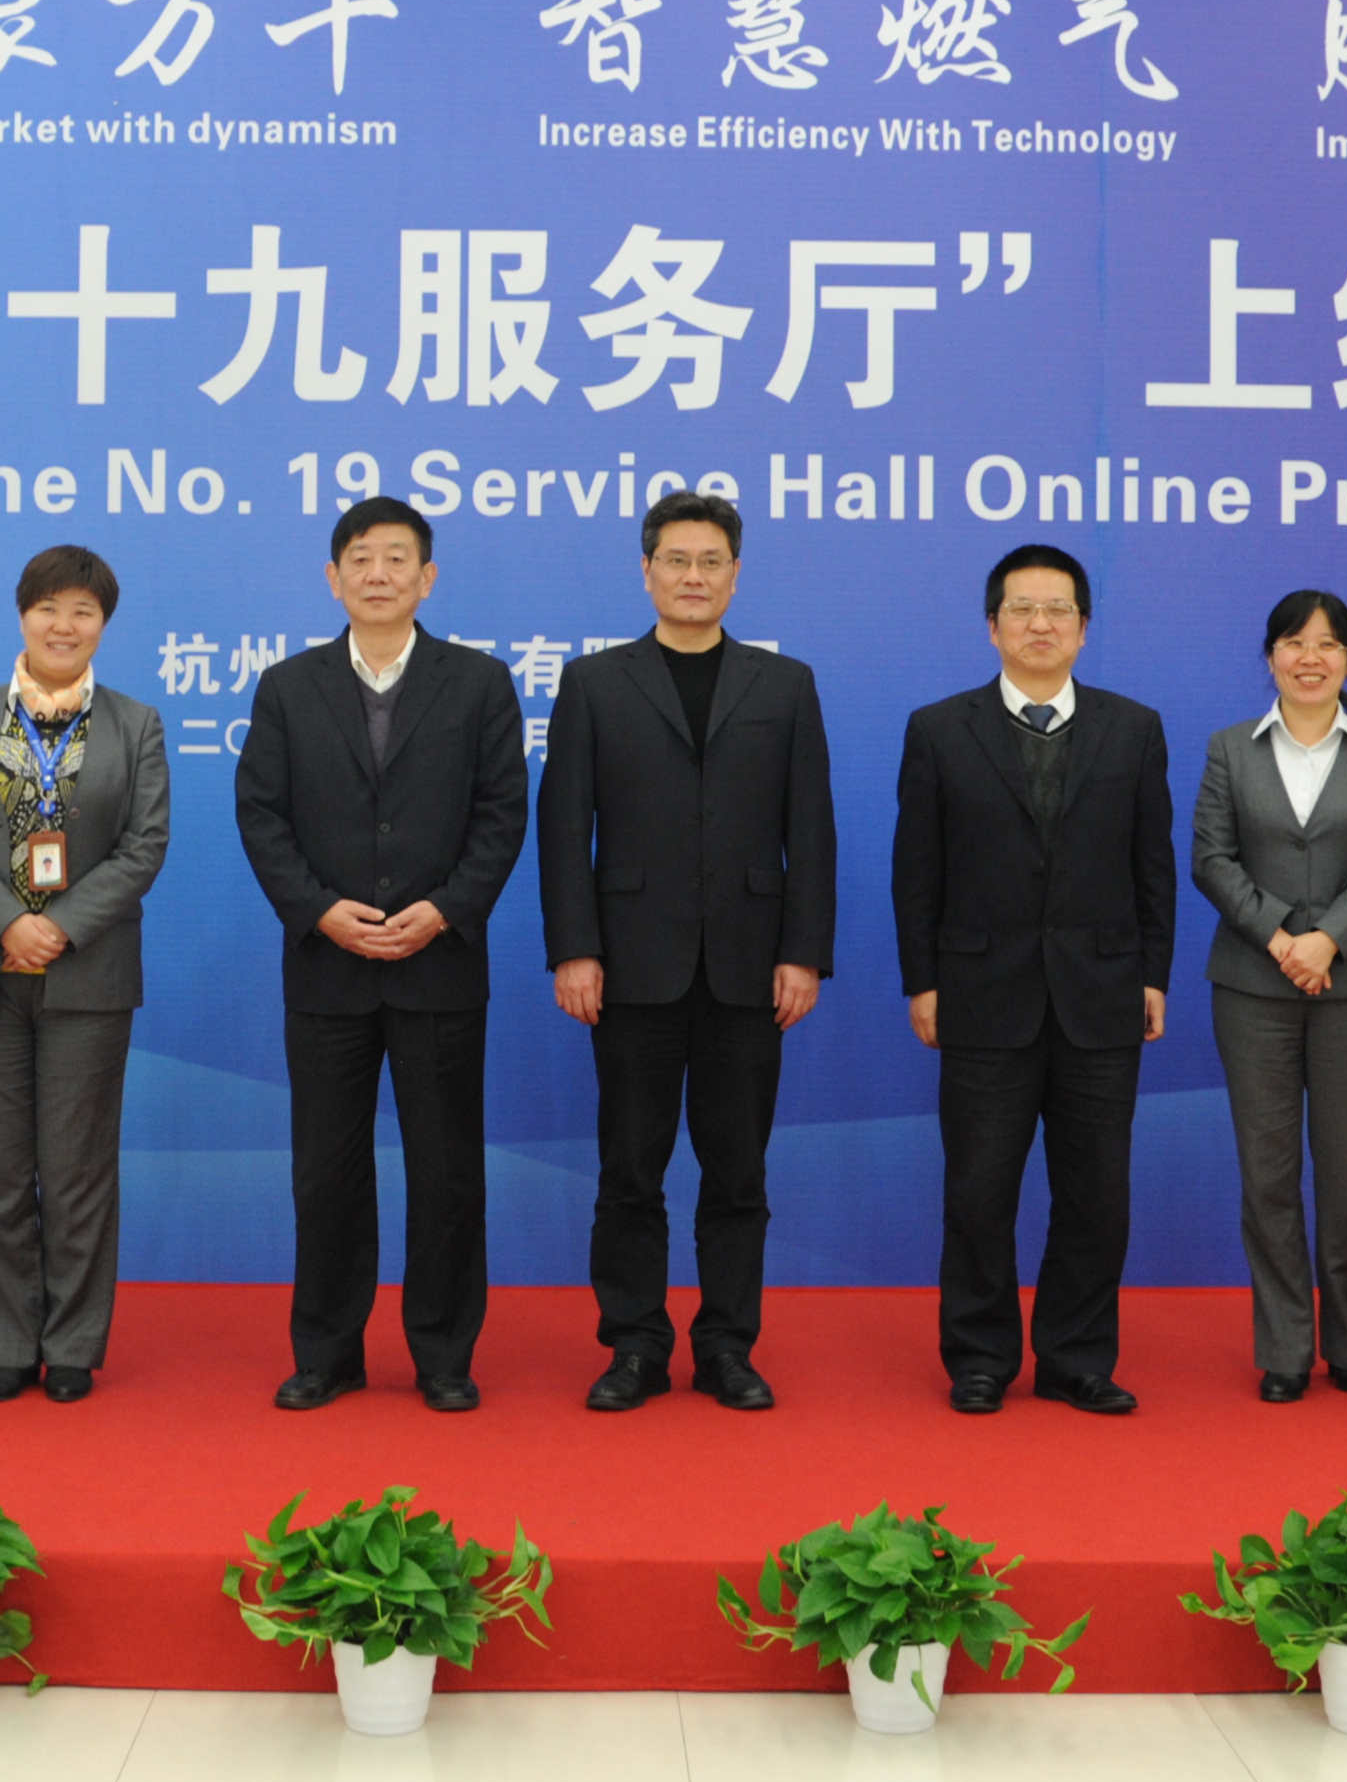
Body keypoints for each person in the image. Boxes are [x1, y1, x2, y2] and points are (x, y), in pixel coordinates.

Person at [536, 491, 831, 1414]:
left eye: (711, 562)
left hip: (750, 967)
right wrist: (574, 949)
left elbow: (811, 831)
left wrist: (804, 953)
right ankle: (634, 1345)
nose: (693, 576)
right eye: (676, 560)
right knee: (630, 1170)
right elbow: (563, 829)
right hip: (629, 966)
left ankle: (727, 1347)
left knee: (738, 1172)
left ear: (735, 576)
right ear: (647, 571)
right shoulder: (594, 682)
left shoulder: (784, 686)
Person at [235, 498, 528, 1412]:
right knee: (326, 1172)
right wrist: (318, 912)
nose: (378, 573)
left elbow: (502, 813)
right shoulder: (288, 687)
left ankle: (443, 1354)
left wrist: (446, 909)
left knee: (447, 1173)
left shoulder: (479, 683)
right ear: (333, 579)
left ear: (426, 578)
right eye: (360, 558)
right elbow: (261, 815)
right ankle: (327, 1352)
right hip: (328, 969)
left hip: (440, 964)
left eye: (397, 558)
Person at [893, 543, 1176, 1416]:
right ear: (993, 626)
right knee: (979, 1193)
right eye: (1022, 608)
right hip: (981, 994)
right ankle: (980, 1356)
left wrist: (1153, 975)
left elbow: (1153, 866)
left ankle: (1076, 1357)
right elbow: (916, 870)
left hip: (1101, 994)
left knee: (1096, 1194)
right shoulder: (941, 729)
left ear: (1084, 629)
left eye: (1058, 610)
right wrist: (922, 980)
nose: (1040, 624)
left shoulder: (1133, 728)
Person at [0, 545, 170, 1405]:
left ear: (104, 624)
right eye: (48, 608)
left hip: (87, 974)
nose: (64, 626)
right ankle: (7, 1343)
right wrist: (8, 925)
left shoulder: (136, 725)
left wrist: (57, 928)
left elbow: (144, 846)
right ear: (23, 615)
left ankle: (72, 1345)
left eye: (83, 612)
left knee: (77, 1173)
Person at [1192, 589, 1347, 1406]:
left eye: (1327, 644)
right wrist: (1283, 938)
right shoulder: (1230, 748)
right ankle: (1284, 1347)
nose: (1309, 658)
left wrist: (1330, 941)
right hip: (1253, 986)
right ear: (1271, 656)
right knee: (1269, 1175)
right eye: (1292, 642)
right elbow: (1212, 859)